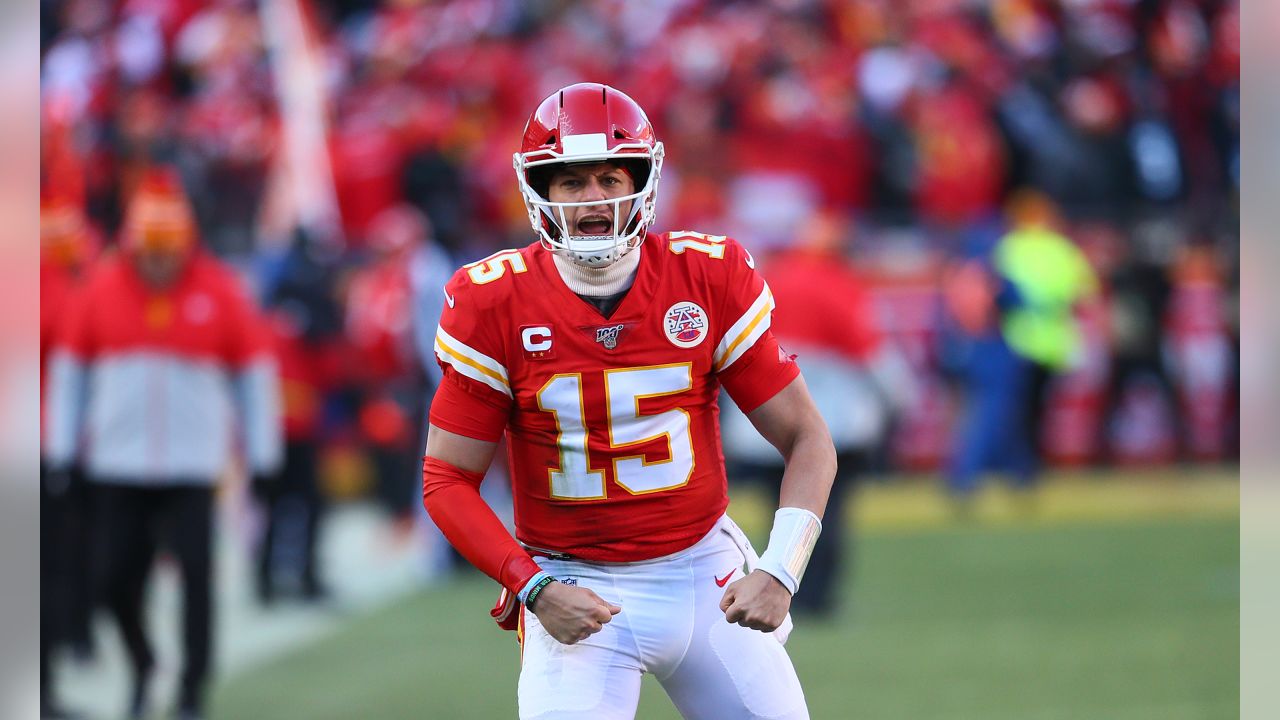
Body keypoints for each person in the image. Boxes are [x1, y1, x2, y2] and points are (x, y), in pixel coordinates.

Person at [421, 83, 835, 720]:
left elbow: (807, 438)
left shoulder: (707, 274)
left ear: (643, 179)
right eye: (572, 182)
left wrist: (781, 569)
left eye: (611, 177)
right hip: (571, 584)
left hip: (705, 577)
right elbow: (447, 477)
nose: (595, 200)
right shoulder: (493, 301)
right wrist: (532, 587)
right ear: (539, 192)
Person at [44, 168, 282, 720]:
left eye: (167, 250)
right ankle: (142, 660)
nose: (159, 262)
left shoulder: (220, 289)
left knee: (198, 578)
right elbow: (69, 378)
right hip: (115, 464)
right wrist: (63, 454)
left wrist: (263, 455)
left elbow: (254, 378)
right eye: (149, 250)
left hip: (191, 466)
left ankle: (192, 689)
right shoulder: (98, 289)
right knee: (109, 581)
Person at [722, 210, 917, 617]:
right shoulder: (840, 286)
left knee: (775, 511)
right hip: (832, 427)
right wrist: (903, 403)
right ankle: (813, 597)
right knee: (823, 513)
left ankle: (766, 584)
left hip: (757, 427)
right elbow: (875, 357)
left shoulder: (768, 276)